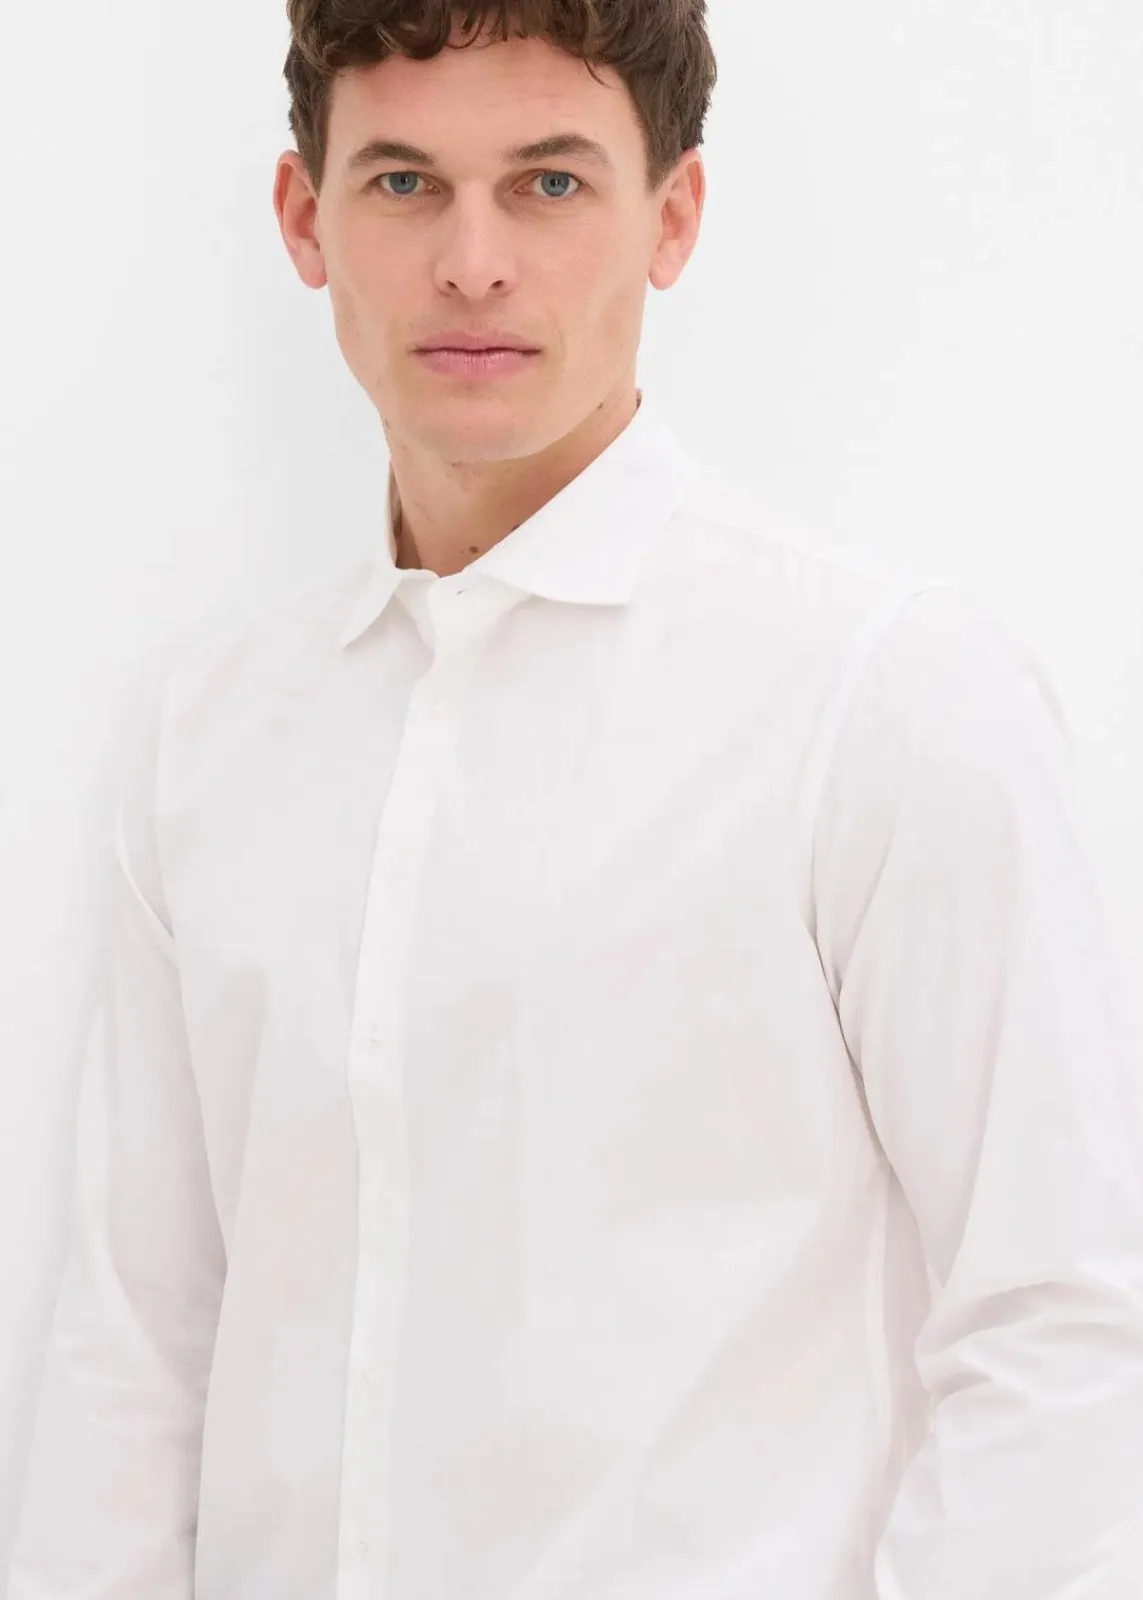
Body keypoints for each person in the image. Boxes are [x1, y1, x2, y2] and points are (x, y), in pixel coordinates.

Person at [9, 2, 1143, 1596]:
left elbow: (1064, 1322)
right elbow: (136, 1349)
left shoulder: (881, 699)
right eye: (404, 183)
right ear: (304, 218)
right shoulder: (212, 738)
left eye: (548, 184)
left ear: (670, 217)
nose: (472, 262)